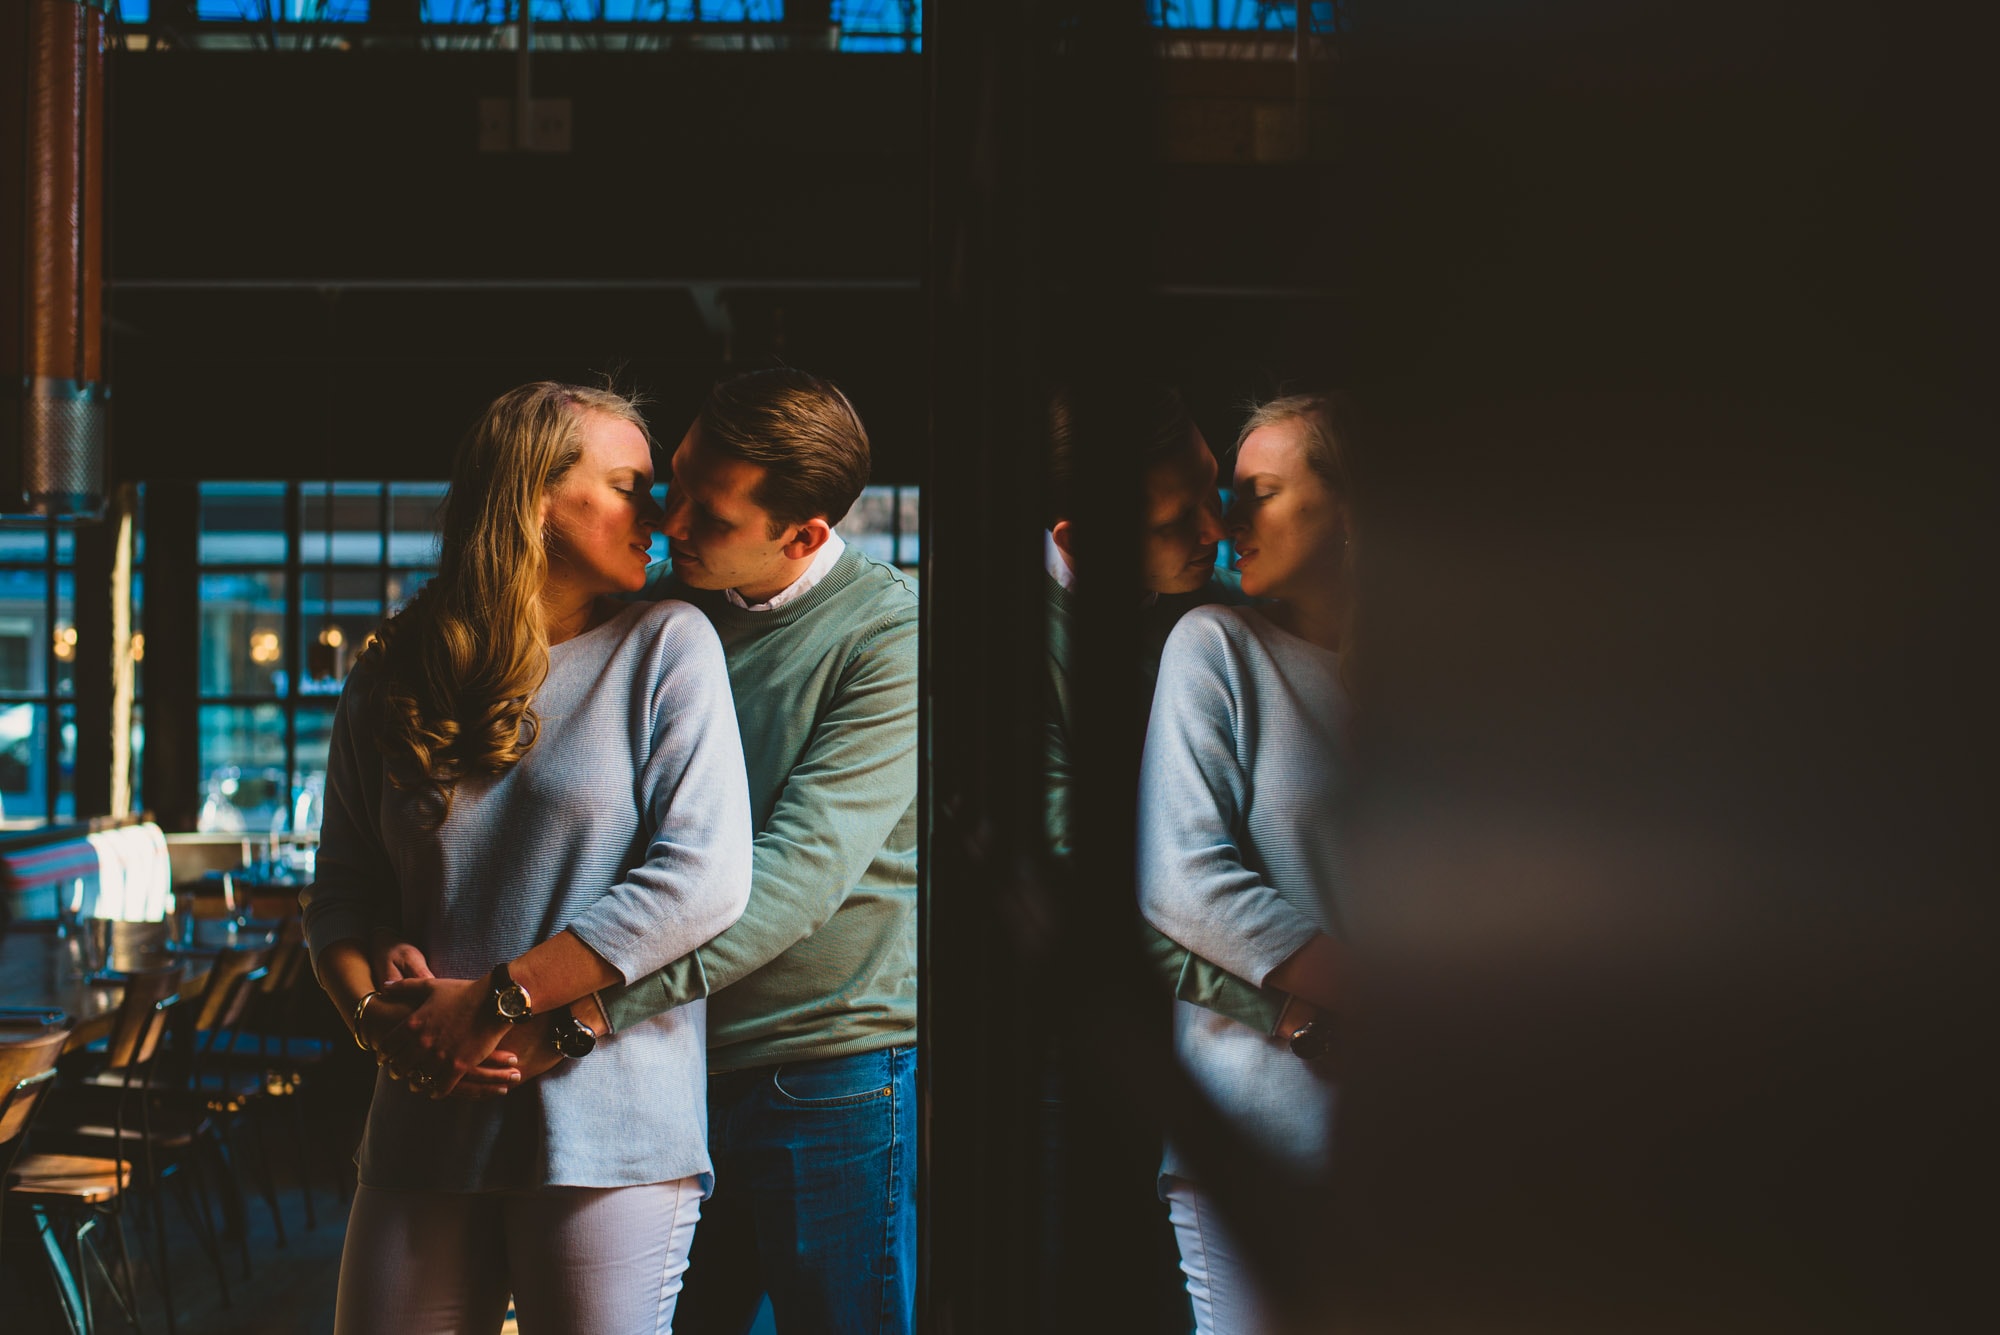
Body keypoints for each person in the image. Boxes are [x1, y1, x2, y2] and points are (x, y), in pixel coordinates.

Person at [412, 368, 920, 1335]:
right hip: (655, 1059)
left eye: (709, 513)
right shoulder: (650, 607)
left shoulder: (886, 638)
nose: (670, 521)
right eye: (670, 483)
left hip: (819, 1061)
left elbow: (779, 885)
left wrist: (557, 1010)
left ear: (803, 535)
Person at [301, 382, 754, 1335]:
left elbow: (704, 876)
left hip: (611, 1130)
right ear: (536, 497)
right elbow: (341, 894)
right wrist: (375, 1020)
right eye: (630, 485)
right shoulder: (391, 667)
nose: (662, 516)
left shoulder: (669, 646)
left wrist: (494, 1000)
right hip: (423, 1115)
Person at [1136, 392, 1353, 1335]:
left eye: (1257, 492)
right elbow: (1180, 878)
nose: (1227, 523)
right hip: (1252, 1122)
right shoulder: (1214, 646)